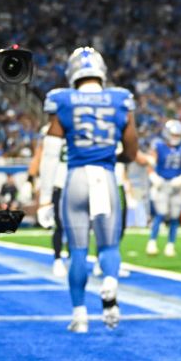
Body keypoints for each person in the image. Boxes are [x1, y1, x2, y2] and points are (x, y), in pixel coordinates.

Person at [38, 46, 138, 332]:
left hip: (76, 178)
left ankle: (80, 315)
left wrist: (45, 199)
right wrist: (115, 157)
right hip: (105, 176)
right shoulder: (120, 99)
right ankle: (109, 282)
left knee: (78, 251)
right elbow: (132, 148)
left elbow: (49, 152)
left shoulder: (63, 99)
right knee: (108, 245)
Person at [138, 119, 181, 258]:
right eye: (173, 135)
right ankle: (152, 242)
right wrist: (153, 176)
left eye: (177, 135)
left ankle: (170, 245)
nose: (175, 138)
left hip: (177, 184)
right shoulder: (159, 145)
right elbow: (150, 162)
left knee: (175, 216)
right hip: (162, 183)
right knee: (160, 213)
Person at [30, 124, 69, 277]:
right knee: (59, 223)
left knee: (76, 225)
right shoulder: (48, 130)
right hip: (58, 181)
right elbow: (41, 155)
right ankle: (58, 258)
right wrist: (33, 179)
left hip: (75, 180)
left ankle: (72, 258)